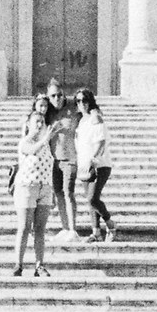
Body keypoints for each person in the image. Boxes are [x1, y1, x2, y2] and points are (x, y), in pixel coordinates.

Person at [10, 97, 57, 278]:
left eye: (42, 121)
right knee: (24, 227)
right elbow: (33, 150)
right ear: (28, 124)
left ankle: (39, 265)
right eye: (36, 121)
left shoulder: (46, 144)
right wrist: (45, 138)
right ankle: (18, 264)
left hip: (44, 188)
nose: (40, 124)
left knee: (40, 229)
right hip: (27, 187)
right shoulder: (25, 142)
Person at [75, 90, 114, 242]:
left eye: (84, 100)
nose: (81, 104)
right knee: (90, 200)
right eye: (78, 101)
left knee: (92, 199)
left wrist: (93, 159)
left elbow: (102, 141)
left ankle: (110, 224)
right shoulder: (81, 121)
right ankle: (96, 232)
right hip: (84, 165)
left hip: (99, 165)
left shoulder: (95, 117)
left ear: (90, 101)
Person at [48, 86, 82, 239]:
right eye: (53, 96)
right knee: (58, 193)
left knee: (68, 192)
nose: (57, 98)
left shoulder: (73, 110)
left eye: (59, 95)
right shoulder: (48, 113)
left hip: (70, 159)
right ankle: (65, 227)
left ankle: (73, 229)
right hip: (54, 160)